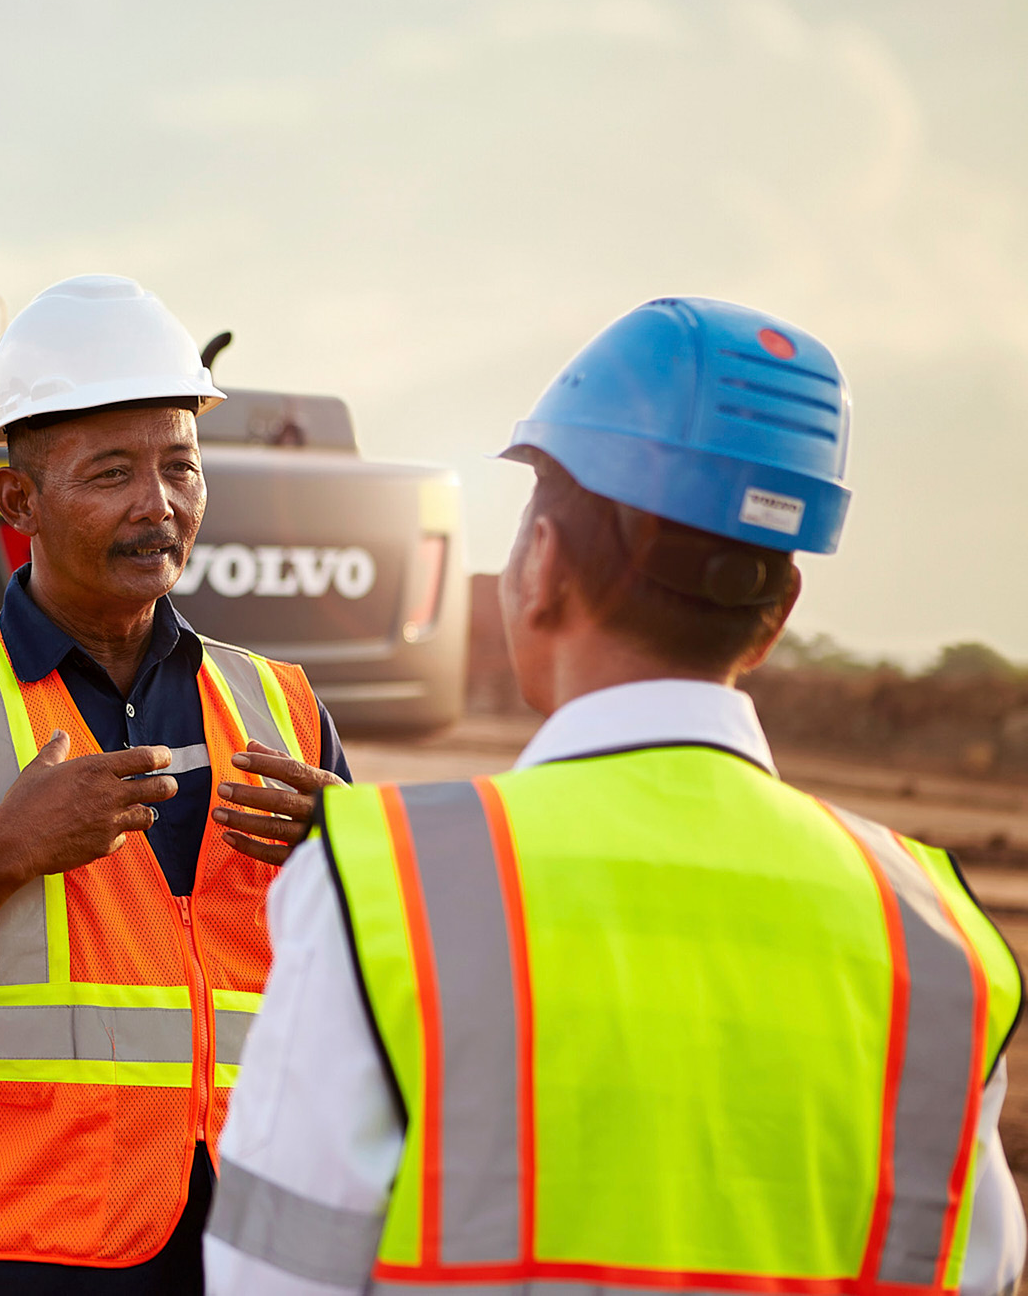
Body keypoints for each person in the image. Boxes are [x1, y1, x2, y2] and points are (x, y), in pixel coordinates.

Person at [206, 296, 1025, 1296]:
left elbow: (268, 1276)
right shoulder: (937, 942)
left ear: (540, 566)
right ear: (775, 618)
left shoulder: (381, 888)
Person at [0, 273, 353, 1294]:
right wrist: (1, 853)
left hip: (243, 1255)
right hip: (1, 1259)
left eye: (180, 465)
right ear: (19, 500)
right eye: (112, 472)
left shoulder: (281, 706)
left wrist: (353, 861)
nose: (157, 503)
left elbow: (365, 994)